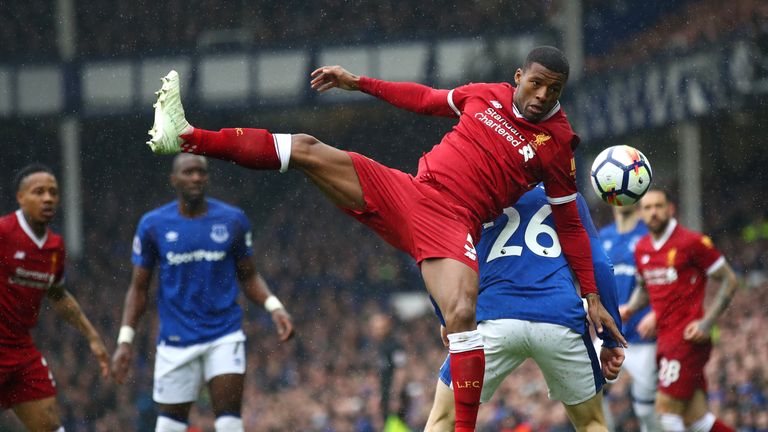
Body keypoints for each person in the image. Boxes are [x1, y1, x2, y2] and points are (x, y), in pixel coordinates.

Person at [147, 46, 626, 431]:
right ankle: (188, 136)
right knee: (310, 150)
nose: (542, 95)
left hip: (454, 222)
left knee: (462, 315)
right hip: (410, 193)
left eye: (553, 89)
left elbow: (570, 223)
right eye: (536, 82)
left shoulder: (559, 142)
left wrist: (590, 295)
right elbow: (423, 99)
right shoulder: (486, 94)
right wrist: (358, 83)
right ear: (519, 76)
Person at [110, 154, 294, 432]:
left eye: (201, 172)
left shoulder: (233, 220)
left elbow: (249, 275)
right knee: (170, 424)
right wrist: (125, 340)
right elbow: (138, 288)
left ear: (207, 178)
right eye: (188, 172)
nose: (196, 177)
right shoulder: (153, 225)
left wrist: (274, 307)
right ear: (174, 180)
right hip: (175, 338)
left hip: (224, 333)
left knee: (230, 421)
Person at [424, 185, 625, 432]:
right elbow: (600, 264)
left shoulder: (476, 191)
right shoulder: (566, 195)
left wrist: (446, 315)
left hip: (495, 320)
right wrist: (610, 340)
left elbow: (442, 255)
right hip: (559, 318)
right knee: (591, 423)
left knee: (444, 419)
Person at [0, 164, 110, 432]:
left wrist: (92, 336)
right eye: (39, 192)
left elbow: (58, 295)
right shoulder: (3, 233)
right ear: (21, 197)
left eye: (53, 192)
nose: (48, 198)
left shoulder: (54, 246)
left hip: (22, 352)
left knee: (50, 425)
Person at [620, 189, 738, 432]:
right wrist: (630, 309)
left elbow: (729, 280)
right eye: (648, 208)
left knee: (665, 412)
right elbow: (645, 286)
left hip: (687, 338)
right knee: (696, 420)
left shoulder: (691, 242)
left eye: (658, 206)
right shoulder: (642, 248)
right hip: (665, 338)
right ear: (640, 214)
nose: (653, 212)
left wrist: (707, 323)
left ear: (670, 209)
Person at [600, 204, 660, 432]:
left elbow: (661, 279)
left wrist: (656, 313)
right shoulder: (603, 236)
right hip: (609, 335)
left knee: (647, 411)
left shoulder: (649, 235)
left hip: (643, 337)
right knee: (586, 390)